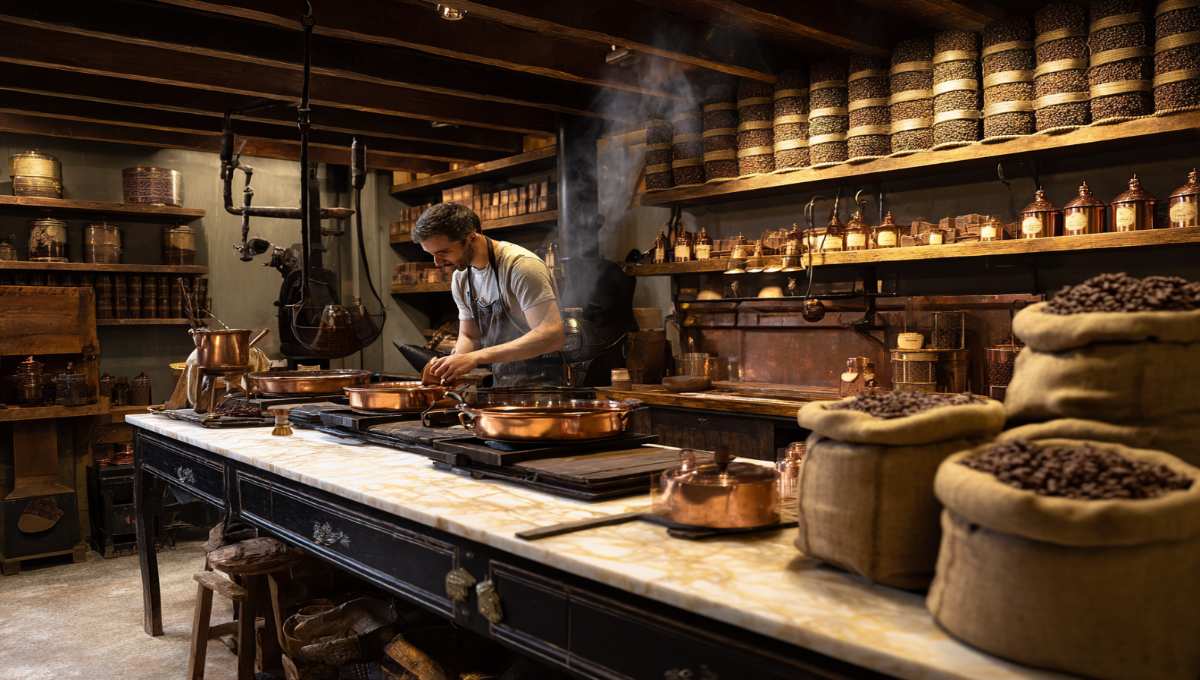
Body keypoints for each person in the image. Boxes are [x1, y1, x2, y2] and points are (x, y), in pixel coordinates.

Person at [412, 203, 565, 386]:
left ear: (471, 238)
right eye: (431, 254)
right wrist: (450, 367)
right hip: (501, 387)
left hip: (544, 389)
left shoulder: (521, 267)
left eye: (443, 252)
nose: (437, 263)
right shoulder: (461, 278)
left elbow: (552, 335)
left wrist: (475, 358)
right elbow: (470, 336)